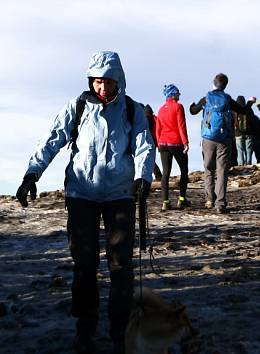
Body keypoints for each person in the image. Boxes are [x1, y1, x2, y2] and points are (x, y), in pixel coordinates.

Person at [15, 51, 155, 354]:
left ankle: (120, 332)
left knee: (121, 266)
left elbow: (145, 145)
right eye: (96, 81)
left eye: (106, 81)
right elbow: (52, 139)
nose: (101, 87)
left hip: (120, 194)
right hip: (81, 194)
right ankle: (85, 330)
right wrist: (32, 173)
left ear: (118, 80)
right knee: (84, 265)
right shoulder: (76, 107)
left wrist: (143, 178)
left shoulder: (133, 110)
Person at [189, 73, 255, 214]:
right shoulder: (227, 99)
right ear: (225, 85)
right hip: (224, 138)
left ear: (214, 82)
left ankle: (209, 200)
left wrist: (192, 106)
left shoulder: (206, 98)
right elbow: (243, 111)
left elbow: (193, 111)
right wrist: (250, 102)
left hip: (208, 138)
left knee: (208, 169)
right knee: (222, 171)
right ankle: (220, 203)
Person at [156, 84, 190, 211]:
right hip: (176, 142)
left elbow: (158, 128)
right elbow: (182, 126)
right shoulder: (178, 107)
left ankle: (165, 201)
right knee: (184, 170)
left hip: (163, 143)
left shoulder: (160, 109)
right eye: (178, 93)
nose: (180, 95)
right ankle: (181, 199)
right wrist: (185, 143)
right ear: (173, 94)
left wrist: (159, 142)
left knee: (166, 172)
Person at [144, 104, 163, 180]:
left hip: (149, 140)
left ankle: (158, 175)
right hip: (155, 140)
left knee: (148, 158)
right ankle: (158, 175)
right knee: (150, 158)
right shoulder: (156, 119)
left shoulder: (146, 119)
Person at [234, 95, 254, 165]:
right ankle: (248, 164)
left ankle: (241, 165)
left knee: (240, 151)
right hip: (249, 133)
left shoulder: (234, 110)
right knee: (248, 150)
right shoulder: (249, 109)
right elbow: (253, 120)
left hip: (238, 134)